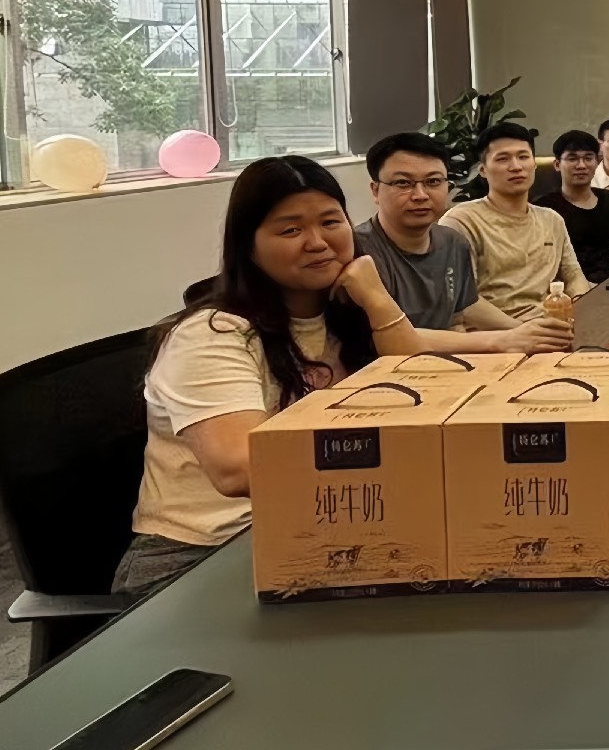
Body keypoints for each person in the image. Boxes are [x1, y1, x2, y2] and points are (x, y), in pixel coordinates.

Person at [113, 156, 426, 596]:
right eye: (290, 230)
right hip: (200, 556)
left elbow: (418, 390)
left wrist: (376, 297)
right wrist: (391, 456)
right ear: (248, 246)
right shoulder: (214, 335)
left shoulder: (340, 317)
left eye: (330, 222)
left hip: (316, 526)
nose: (317, 242)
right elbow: (240, 468)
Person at [355, 133, 571, 355]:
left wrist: (524, 333)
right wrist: (501, 340)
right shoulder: (358, 250)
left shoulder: (452, 242)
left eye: (433, 181)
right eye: (403, 183)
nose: (420, 195)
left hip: (448, 364)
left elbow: (463, 310)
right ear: (375, 190)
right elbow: (387, 334)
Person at [442, 123, 592, 321]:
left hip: (551, 325)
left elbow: (573, 275)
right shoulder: (461, 221)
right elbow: (464, 301)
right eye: (503, 159)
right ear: (483, 170)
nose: (516, 167)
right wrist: (521, 332)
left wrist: (580, 307)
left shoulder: (551, 219)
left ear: (534, 164)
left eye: (523, 157)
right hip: (494, 333)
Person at [537, 129, 609, 285]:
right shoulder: (544, 208)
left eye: (588, 158)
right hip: (567, 289)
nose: (581, 165)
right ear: (557, 165)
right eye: (572, 158)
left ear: (597, 162)